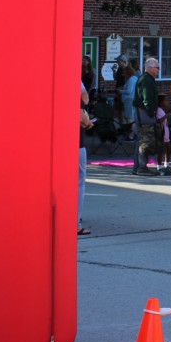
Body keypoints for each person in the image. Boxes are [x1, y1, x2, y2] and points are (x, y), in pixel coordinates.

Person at [132, 57, 160, 175]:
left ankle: (138, 167)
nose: (158, 70)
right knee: (145, 140)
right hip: (144, 114)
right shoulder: (146, 80)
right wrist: (151, 112)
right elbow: (147, 98)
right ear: (150, 68)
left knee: (141, 140)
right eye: (157, 67)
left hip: (143, 112)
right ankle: (141, 167)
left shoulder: (147, 79)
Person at [78, 82, 93, 235]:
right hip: (77, 143)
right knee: (79, 181)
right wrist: (88, 123)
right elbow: (82, 118)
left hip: (60, 144)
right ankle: (75, 222)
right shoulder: (75, 96)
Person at [120, 61, 138, 140]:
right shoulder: (134, 79)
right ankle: (132, 134)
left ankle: (131, 136)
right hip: (131, 100)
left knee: (130, 119)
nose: (123, 74)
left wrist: (120, 91)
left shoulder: (131, 80)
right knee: (131, 118)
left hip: (129, 101)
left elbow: (129, 91)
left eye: (124, 72)